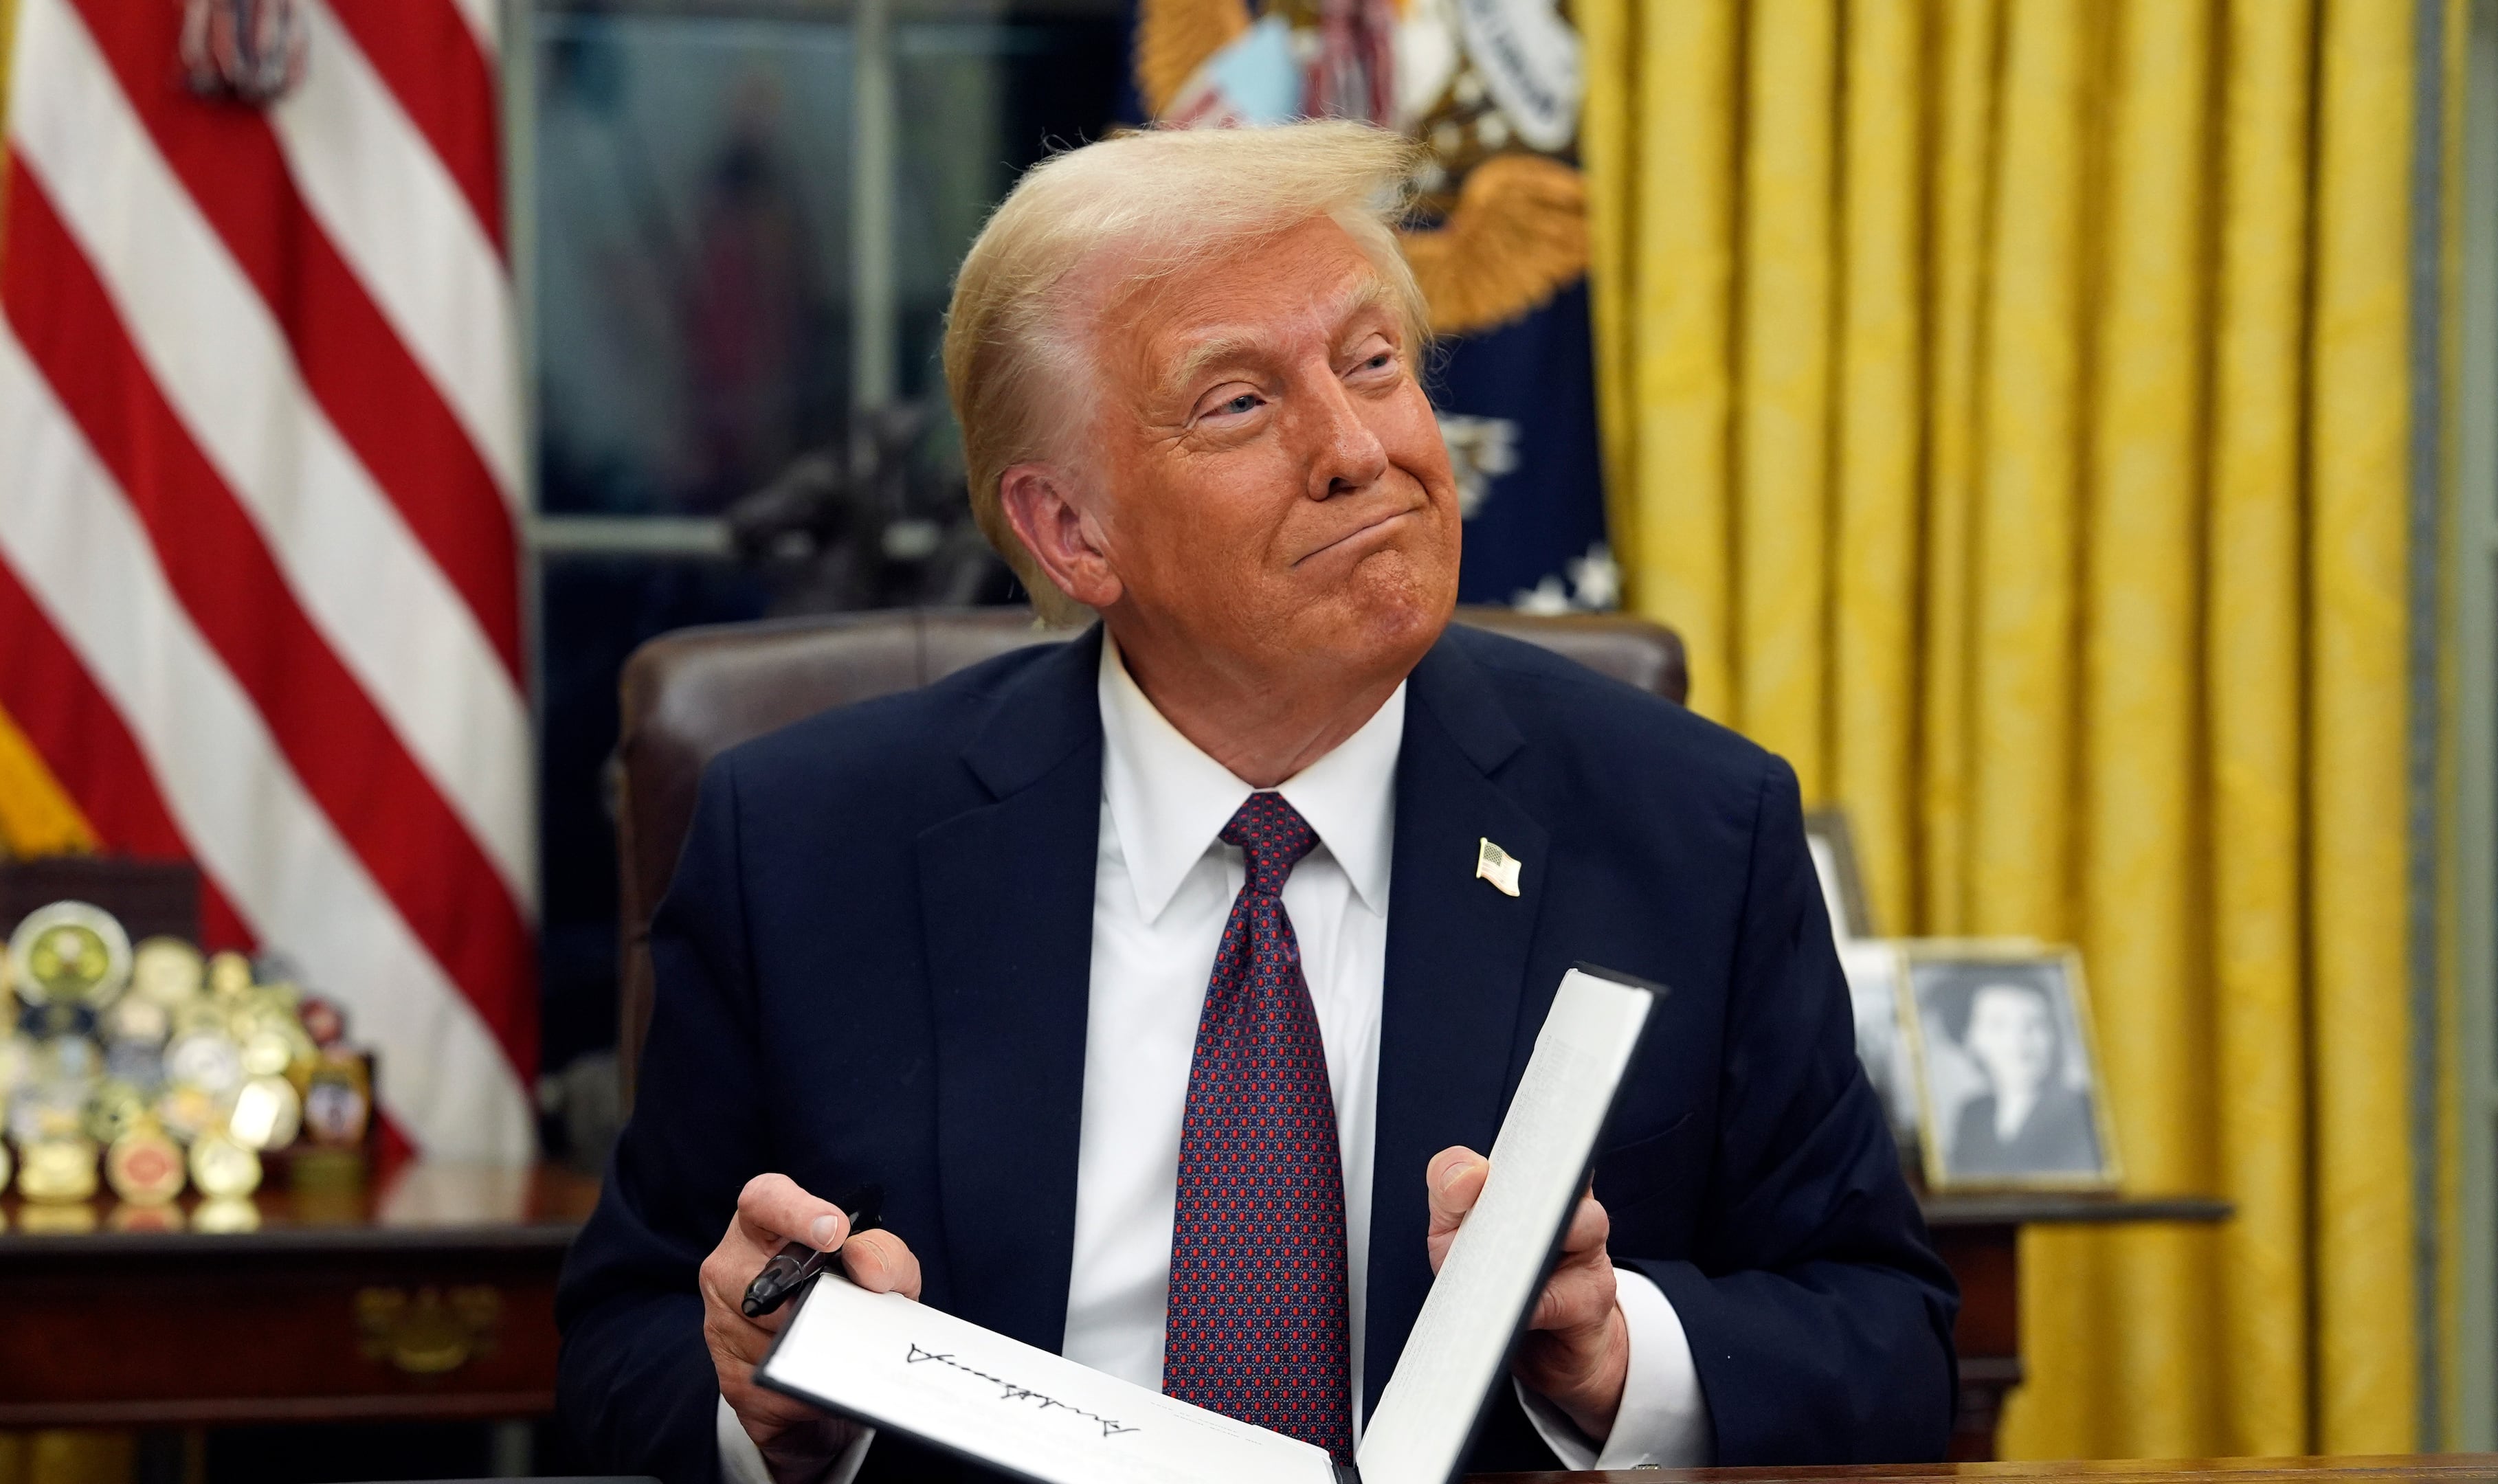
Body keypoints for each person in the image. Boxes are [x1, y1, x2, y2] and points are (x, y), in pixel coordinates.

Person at [555, 120, 1957, 1484]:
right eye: (1240, 400)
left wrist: (1613, 1355)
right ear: (1070, 529)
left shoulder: (1693, 832)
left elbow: (1891, 1345)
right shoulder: (806, 848)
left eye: (1375, 362)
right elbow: (621, 1354)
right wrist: (772, 1409)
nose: (1358, 447)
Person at [1943, 978, 2101, 1179]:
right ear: (1971, 1038)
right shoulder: (1974, 1114)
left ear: (2055, 1036)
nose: (2018, 1042)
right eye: (1998, 1025)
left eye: (2035, 1024)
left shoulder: (2083, 1109)